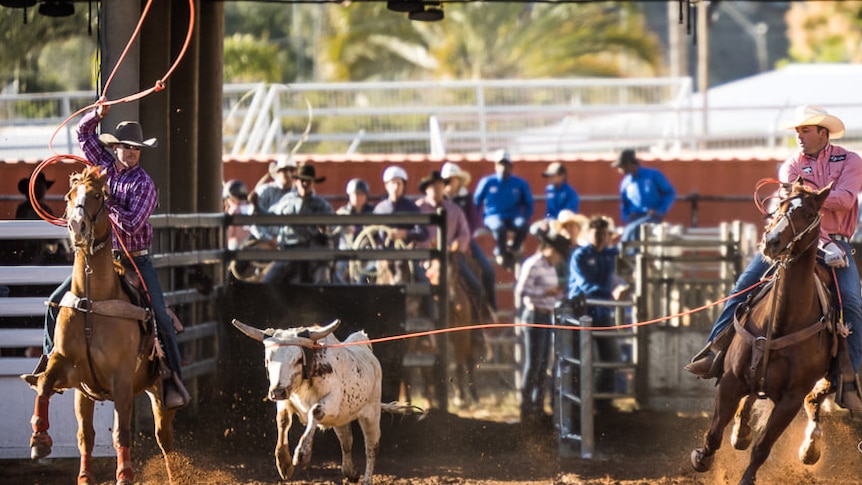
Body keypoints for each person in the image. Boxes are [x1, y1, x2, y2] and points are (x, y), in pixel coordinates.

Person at [684, 105, 862, 412]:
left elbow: (846, 199)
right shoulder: (791, 165)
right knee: (744, 283)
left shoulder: (850, 160)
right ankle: (715, 351)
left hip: (837, 243)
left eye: (804, 130)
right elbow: (790, 206)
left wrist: (807, 199)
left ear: (823, 132)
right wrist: (812, 207)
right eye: (797, 131)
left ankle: (849, 378)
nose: (799, 136)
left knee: (852, 300)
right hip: (796, 241)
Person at [33, 103, 189, 410]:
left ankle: (172, 379)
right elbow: (82, 132)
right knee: (55, 301)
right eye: (125, 147)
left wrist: (105, 203)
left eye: (136, 149)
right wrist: (97, 115)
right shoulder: (102, 166)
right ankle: (49, 362)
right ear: (115, 148)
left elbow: (131, 224)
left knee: (160, 316)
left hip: (135, 259)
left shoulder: (143, 183)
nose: (131, 153)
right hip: (100, 258)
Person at [514, 230, 569, 423]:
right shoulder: (534, 263)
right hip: (534, 314)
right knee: (533, 363)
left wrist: (557, 294)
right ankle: (527, 406)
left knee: (542, 362)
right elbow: (522, 290)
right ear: (552, 250)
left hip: (545, 315)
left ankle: (535, 406)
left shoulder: (548, 265)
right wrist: (547, 292)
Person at [568, 216, 623, 396]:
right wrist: (610, 293)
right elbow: (585, 285)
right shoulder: (581, 255)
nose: (600, 236)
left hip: (600, 311)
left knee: (611, 358)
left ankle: (602, 402)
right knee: (580, 359)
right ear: (589, 234)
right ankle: (580, 402)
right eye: (597, 232)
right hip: (581, 311)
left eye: (603, 233)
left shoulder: (608, 256)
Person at [415, 170, 483, 311]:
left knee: (474, 285)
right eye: (433, 186)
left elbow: (465, 233)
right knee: (414, 288)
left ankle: (478, 320)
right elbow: (413, 233)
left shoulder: (454, 209)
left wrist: (457, 244)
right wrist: (428, 245)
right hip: (424, 258)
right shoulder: (417, 208)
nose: (437, 188)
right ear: (426, 189)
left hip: (451, 257)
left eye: (440, 185)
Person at [261, 163, 334, 284]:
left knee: (323, 279)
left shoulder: (322, 205)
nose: (305, 184)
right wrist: (256, 207)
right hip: (288, 249)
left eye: (308, 181)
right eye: (302, 181)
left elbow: (333, 226)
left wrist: (325, 229)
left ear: (313, 183)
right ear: (296, 182)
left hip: (313, 251)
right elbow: (271, 217)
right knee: (267, 284)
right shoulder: (287, 200)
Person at [442, 161, 497, 312]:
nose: (449, 183)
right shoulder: (439, 200)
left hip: (464, 241)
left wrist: (462, 241)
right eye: (447, 180)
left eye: (452, 179)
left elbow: (473, 223)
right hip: (441, 243)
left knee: (487, 270)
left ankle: (489, 307)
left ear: (458, 180)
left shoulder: (467, 199)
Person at [473, 150, 534, 270]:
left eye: (506, 164)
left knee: (523, 226)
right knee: (499, 228)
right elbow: (476, 202)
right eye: (501, 164)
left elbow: (529, 203)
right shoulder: (487, 182)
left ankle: (513, 249)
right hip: (493, 216)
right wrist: (476, 220)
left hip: (513, 216)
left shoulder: (520, 183)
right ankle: (501, 252)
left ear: (511, 166)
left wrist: (525, 216)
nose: (503, 168)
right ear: (496, 166)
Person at [613, 149, 676, 247]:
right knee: (630, 232)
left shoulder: (653, 175)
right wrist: (626, 217)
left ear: (629, 164)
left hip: (651, 217)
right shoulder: (625, 183)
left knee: (632, 232)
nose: (620, 169)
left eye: (622, 166)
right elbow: (624, 204)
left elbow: (669, 193)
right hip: (633, 219)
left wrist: (659, 210)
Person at [333, 178, 375, 283]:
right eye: (355, 194)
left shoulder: (373, 213)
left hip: (367, 251)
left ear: (366, 196)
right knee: (336, 270)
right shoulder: (342, 213)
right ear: (349, 196)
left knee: (374, 268)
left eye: (361, 195)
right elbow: (332, 233)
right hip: (345, 251)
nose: (358, 198)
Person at [249, 154, 297, 241]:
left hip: (290, 243)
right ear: (278, 172)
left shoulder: (298, 194)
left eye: (292, 170)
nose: (288, 173)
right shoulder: (265, 191)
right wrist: (268, 239)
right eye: (285, 170)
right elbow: (253, 220)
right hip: (263, 242)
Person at [223, 179, 253, 250]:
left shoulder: (234, 210)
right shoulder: (251, 208)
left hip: (236, 248)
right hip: (250, 246)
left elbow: (229, 234)